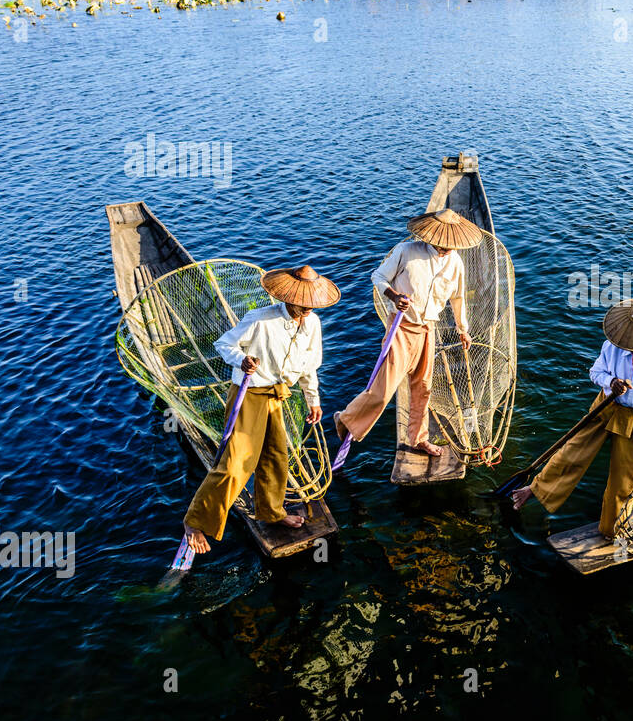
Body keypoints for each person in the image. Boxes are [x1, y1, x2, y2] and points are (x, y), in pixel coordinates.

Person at [183, 265, 339, 554]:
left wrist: (313, 399)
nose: (305, 309)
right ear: (288, 297)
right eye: (301, 304)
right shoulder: (260, 319)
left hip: (279, 396)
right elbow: (224, 343)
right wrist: (241, 359)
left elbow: (309, 366)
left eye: (310, 305)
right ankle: (195, 520)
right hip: (250, 394)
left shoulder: (313, 323)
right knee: (235, 464)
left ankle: (272, 512)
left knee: (276, 456)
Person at [511, 299, 633, 538]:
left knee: (626, 479)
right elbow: (595, 372)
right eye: (632, 343)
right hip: (605, 406)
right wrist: (610, 382)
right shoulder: (612, 348)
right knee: (573, 451)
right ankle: (535, 488)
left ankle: (611, 529)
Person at [334, 209, 479, 457]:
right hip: (400, 326)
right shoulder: (406, 251)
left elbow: (457, 299)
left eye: (450, 245)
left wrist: (462, 330)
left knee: (423, 387)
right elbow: (378, 277)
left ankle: (418, 439)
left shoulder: (455, 262)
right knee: (384, 389)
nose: (445, 248)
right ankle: (346, 419)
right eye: (441, 244)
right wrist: (394, 296)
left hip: (427, 328)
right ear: (431, 237)